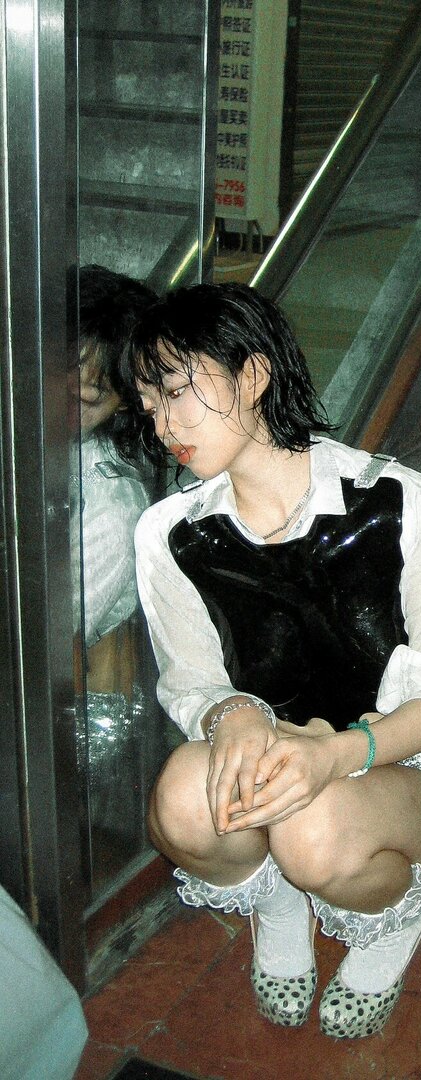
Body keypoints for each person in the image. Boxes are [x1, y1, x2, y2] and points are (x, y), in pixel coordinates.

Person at [116, 282, 421, 1037]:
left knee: (313, 834)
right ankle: (277, 900)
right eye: (150, 405)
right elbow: (193, 682)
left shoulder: (400, 502)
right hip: (272, 759)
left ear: (252, 375)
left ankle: (388, 918)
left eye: (177, 392)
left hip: (408, 768)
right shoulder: (170, 534)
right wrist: (234, 713)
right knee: (181, 803)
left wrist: (337, 756)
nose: (163, 425)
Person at [73, 266, 156, 843]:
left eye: (86, 396)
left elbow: (45, 637)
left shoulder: (108, 502)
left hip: (70, 730)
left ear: (125, 404)